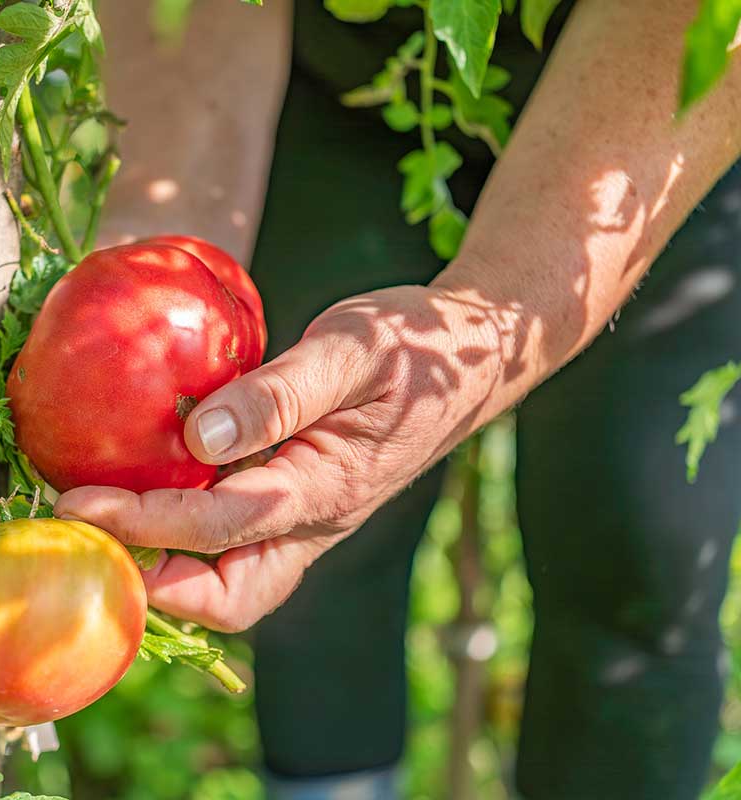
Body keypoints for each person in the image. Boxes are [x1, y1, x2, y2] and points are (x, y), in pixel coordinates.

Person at [54, 0, 741, 798]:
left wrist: (487, 318)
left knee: (638, 535)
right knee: (290, 518)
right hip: (344, 91)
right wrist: (145, 286)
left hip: (663, 101)